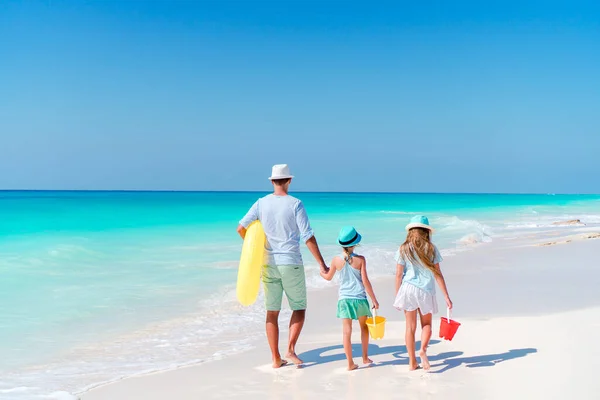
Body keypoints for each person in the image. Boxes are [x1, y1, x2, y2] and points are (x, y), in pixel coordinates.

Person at [237, 164, 328, 368]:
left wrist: (254, 252)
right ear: (289, 180)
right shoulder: (295, 204)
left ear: (272, 181)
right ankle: (290, 349)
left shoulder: (260, 204)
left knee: (272, 312)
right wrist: (322, 264)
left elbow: (240, 228)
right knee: (299, 308)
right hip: (290, 263)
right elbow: (308, 236)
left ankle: (276, 359)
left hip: (268, 264)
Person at [393, 215, 453, 371]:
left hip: (407, 289)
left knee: (409, 327)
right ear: (426, 231)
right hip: (425, 291)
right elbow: (438, 273)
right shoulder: (431, 248)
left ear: (411, 231)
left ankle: (412, 362)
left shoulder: (403, 248)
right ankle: (423, 350)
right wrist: (446, 295)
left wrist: (397, 294)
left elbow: (398, 274)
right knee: (426, 325)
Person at [320, 226, 379, 371]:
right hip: (359, 299)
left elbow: (328, 277)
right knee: (364, 328)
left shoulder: (335, 260)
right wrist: (374, 300)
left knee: (346, 332)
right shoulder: (361, 260)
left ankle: (350, 363)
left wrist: (321, 273)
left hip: (344, 300)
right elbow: (365, 282)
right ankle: (365, 357)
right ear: (355, 244)